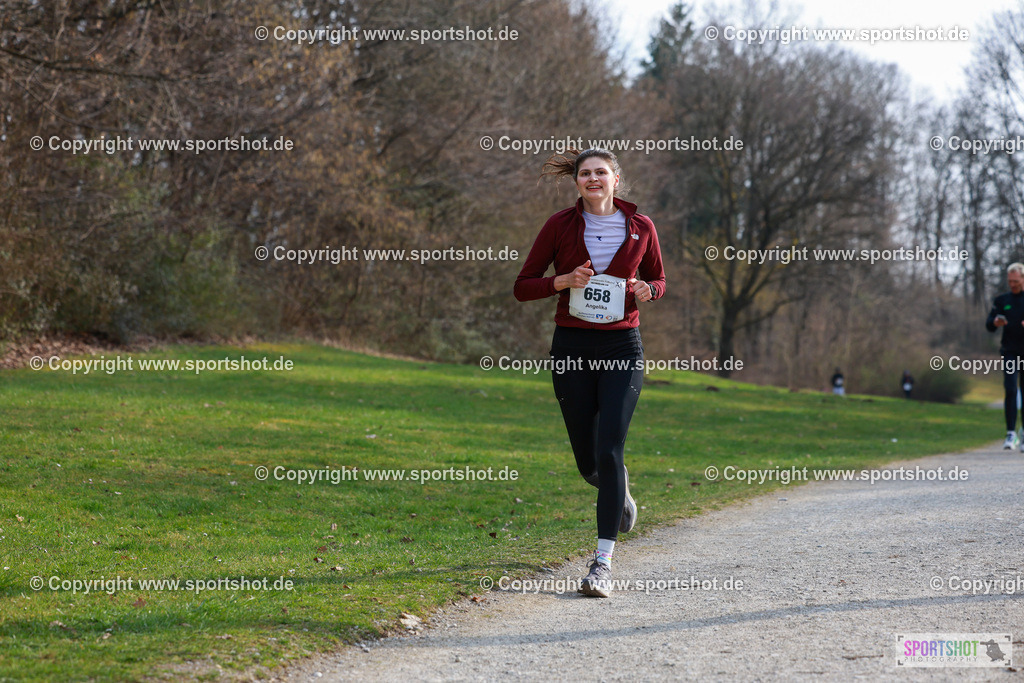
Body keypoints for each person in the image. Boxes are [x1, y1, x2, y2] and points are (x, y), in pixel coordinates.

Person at [514, 148, 665, 598]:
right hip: (572, 348)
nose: (593, 179)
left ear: (616, 179)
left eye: (601, 172)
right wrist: (560, 282)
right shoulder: (559, 225)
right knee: (588, 461)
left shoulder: (642, 227)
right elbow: (523, 286)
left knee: (610, 448)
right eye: (585, 174)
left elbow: (659, 279)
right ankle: (618, 489)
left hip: (622, 347)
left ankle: (601, 564)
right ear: (576, 182)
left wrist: (647, 290)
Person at [985, 262, 1024, 451]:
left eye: (1015, 281)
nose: (1012, 284)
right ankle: (1011, 433)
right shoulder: (1002, 300)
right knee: (1010, 389)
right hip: (1009, 351)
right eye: (1010, 281)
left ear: (1023, 279)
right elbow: (989, 325)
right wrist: (995, 322)